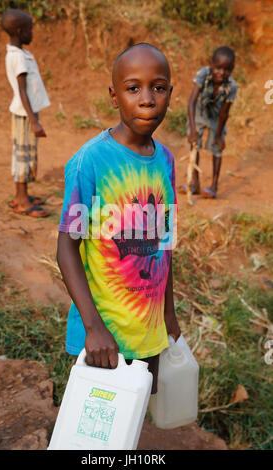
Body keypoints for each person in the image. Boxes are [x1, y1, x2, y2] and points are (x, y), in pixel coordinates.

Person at [57, 43, 181, 394]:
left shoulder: (166, 161)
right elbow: (66, 249)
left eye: (158, 88)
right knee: (99, 423)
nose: (147, 99)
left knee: (135, 414)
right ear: (114, 96)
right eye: (133, 88)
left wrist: (168, 313)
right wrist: (93, 327)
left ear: (170, 94)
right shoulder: (90, 162)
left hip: (149, 330)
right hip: (104, 336)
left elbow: (164, 242)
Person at [1, 9, 50, 217]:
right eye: (30, 29)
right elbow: (21, 90)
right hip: (24, 115)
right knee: (23, 156)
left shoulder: (19, 53)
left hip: (26, 114)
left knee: (26, 155)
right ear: (20, 31)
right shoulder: (18, 58)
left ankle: (23, 195)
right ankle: (22, 201)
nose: (32, 33)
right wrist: (34, 121)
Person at [180, 46, 237, 198]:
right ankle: (194, 184)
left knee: (216, 148)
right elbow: (191, 102)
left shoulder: (231, 86)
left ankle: (214, 186)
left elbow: (225, 113)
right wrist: (192, 130)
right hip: (199, 111)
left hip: (217, 116)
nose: (221, 73)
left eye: (227, 70)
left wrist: (218, 135)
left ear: (231, 70)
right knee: (194, 145)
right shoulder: (203, 74)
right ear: (211, 64)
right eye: (218, 68)